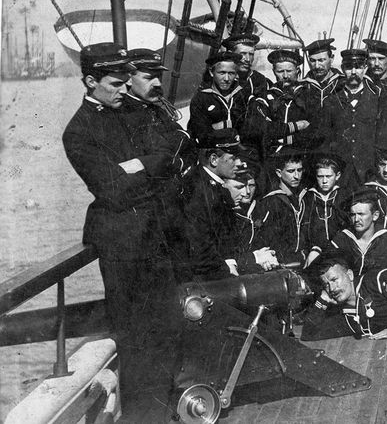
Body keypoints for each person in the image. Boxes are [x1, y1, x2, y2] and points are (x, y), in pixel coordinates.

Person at [63, 42, 176, 332]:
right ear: (91, 82)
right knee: (134, 329)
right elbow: (112, 189)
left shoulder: (132, 112)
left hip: (155, 232)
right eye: (115, 84)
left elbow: (167, 157)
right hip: (123, 242)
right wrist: (145, 164)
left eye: (126, 83)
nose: (124, 90)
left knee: (167, 326)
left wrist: (132, 166)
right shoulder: (79, 131)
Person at [122, 48, 197, 275]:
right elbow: (157, 155)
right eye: (148, 77)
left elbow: (185, 140)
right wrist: (174, 152)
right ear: (127, 79)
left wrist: (172, 150)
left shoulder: (157, 107)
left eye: (158, 77)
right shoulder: (125, 114)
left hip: (173, 208)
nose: (156, 83)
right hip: (150, 215)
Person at [182, 128, 277, 280]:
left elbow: (225, 241)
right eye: (233, 158)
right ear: (214, 159)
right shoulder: (195, 189)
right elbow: (200, 250)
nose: (239, 163)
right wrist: (246, 262)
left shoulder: (215, 187)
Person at [323, 48, 387, 181]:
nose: (353, 72)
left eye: (358, 67)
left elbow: (383, 138)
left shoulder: (378, 97)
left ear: (365, 68)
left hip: (370, 172)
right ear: (342, 69)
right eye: (349, 68)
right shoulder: (331, 99)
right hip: (341, 173)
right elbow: (327, 139)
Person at [244, 49, 311, 159]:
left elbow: (316, 130)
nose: (285, 76)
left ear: (297, 70)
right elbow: (259, 127)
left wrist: (282, 138)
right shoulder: (264, 97)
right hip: (271, 156)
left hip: (301, 156)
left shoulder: (309, 96)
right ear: (274, 71)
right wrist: (297, 126)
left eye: (289, 71)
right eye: (280, 71)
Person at [255, 149, 310, 266]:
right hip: (280, 264)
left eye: (299, 170)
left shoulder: (305, 198)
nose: (296, 176)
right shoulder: (270, 201)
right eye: (291, 171)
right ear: (279, 173)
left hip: (305, 261)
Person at [187, 52, 246, 144]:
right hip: (212, 150)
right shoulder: (201, 98)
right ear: (211, 72)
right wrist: (230, 127)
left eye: (231, 73)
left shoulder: (243, 95)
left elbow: (251, 129)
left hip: (240, 149)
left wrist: (215, 127)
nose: (226, 78)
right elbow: (202, 134)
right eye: (222, 73)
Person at [302, 155, 349, 251]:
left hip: (340, 249)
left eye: (328, 176)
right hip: (314, 251)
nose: (324, 181)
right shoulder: (308, 198)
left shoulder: (344, 196)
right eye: (320, 176)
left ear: (338, 176)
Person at [221, 33, 270, 101]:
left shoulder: (258, 80)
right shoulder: (219, 78)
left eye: (251, 54)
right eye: (243, 54)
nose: (247, 59)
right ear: (230, 54)